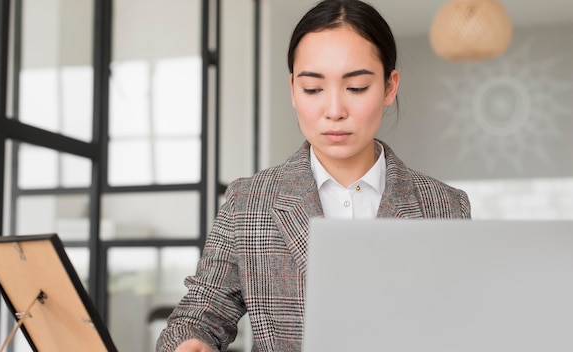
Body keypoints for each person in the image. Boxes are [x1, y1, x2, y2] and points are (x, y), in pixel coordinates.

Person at [156, 0, 471, 351]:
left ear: (389, 87)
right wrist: (190, 342)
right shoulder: (248, 202)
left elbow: (463, 324)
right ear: (292, 89)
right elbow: (198, 316)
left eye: (356, 88)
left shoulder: (445, 205)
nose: (334, 111)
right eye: (313, 89)